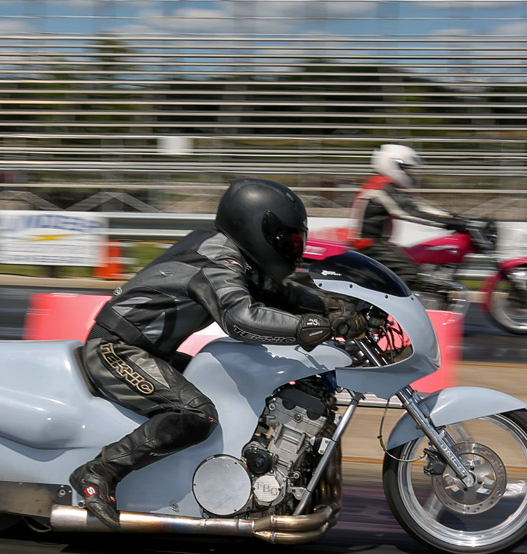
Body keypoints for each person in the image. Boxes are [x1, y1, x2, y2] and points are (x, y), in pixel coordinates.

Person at [70, 177, 367, 530]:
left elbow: (280, 292)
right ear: (257, 225)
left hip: (148, 351)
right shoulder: (218, 259)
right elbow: (241, 319)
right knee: (196, 413)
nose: (292, 247)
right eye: (286, 239)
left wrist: (339, 307)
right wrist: (314, 327)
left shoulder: (231, 253)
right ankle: (99, 472)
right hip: (115, 350)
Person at [349, 143, 493, 287]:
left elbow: (419, 207)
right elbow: (412, 213)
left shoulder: (384, 186)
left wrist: (456, 219)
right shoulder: (380, 188)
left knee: (415, 264)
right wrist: (454, 223)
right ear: (393, 165)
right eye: (406, 169)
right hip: (370, 245)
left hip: (375, 244)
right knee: (409, 273)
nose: (409, 174)